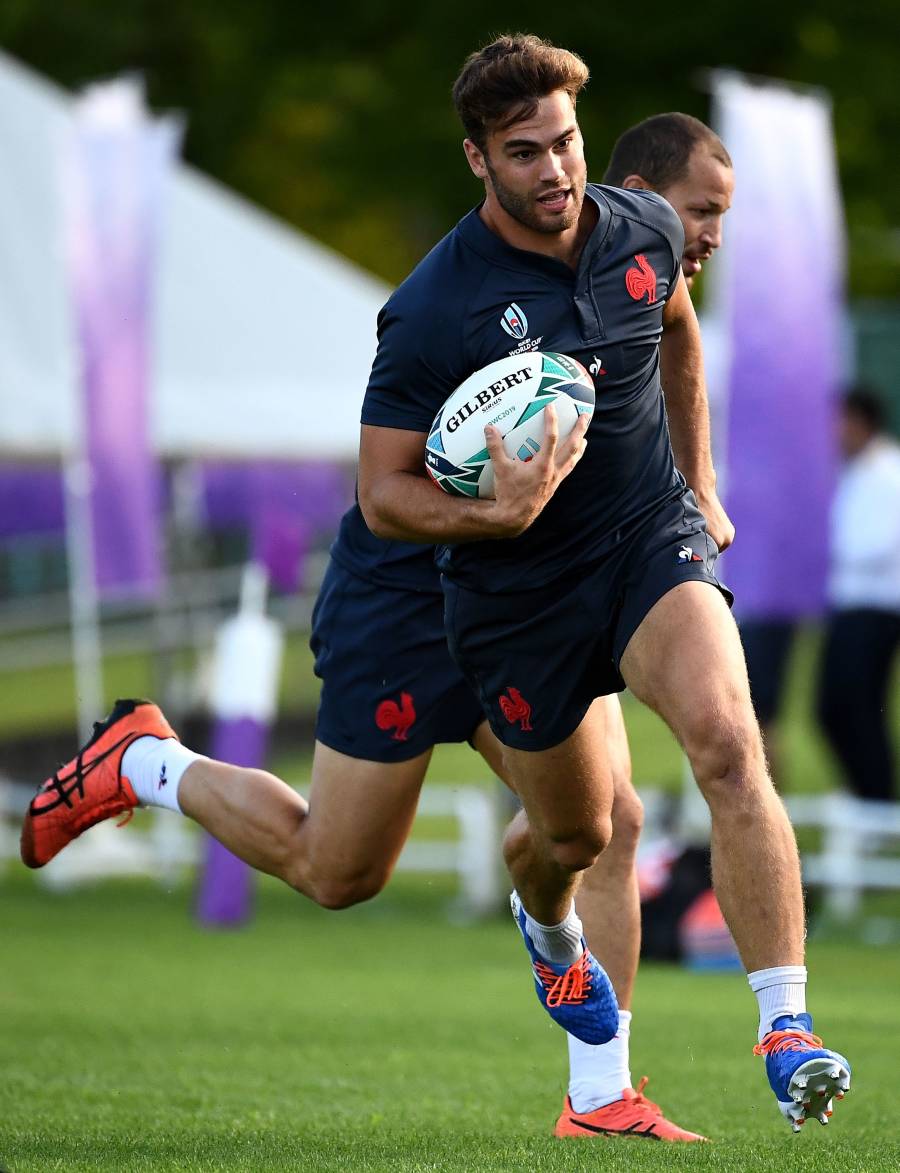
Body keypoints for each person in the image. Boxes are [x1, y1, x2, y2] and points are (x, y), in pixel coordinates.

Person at [20, 35, 848, 1135]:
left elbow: (677, 328)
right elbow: (380, 493)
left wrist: (697, 485)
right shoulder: (432, 308)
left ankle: (626, 1085)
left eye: (564, 143)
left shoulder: (641, 228)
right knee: (338, 869)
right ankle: (147, 761)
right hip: (418, 589)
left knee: (645, 794)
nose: (554, 171)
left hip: (595, 562)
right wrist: (490, 513)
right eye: (523, 153)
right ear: (477, 160)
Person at [816, 386, 900, 802]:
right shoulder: (854, 473)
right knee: (836, 710)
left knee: (858, 710)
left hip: (875, 609)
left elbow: (876, 544)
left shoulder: (888, 473)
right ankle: (869, 795)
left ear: (862, 422)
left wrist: (822, 549)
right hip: (848, 607)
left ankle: (876, 799)